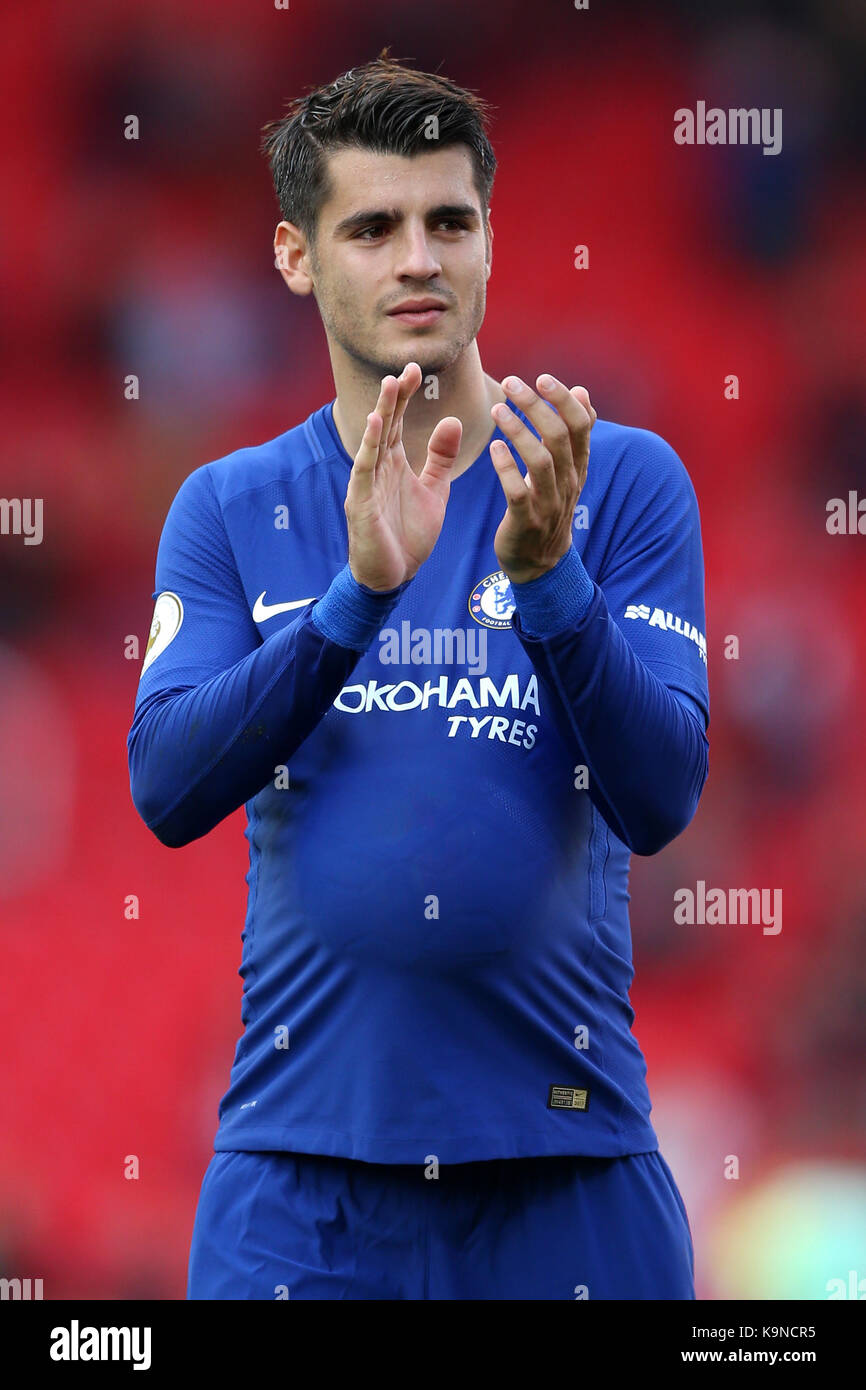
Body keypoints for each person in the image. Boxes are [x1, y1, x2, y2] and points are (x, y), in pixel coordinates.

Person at [127, 50, 709, 1300]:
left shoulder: (615, 481)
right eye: (373, 226)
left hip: (569, 1168)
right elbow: (166, 786)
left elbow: (660, 798)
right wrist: (355, 600)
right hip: (301, 1184)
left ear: (491, 240)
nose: (418, 259)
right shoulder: (229, 506)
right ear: (296, 256)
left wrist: (552, 584)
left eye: (450, 220)